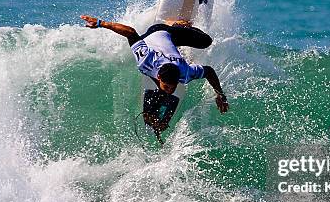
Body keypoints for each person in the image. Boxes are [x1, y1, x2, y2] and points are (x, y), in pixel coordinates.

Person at [80, 14, 229, 140]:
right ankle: (176, 26)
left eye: (173, 86)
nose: (170, 90)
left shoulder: (185, 73)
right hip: (154, 34)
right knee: (167, 33)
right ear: (158, 76)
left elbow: (209, 71)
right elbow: (131, 33)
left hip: (170, 38)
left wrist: (220, 94)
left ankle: (179, 33)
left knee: (206, 41)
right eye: (167, 86)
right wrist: (101, 23)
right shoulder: (146, 60)